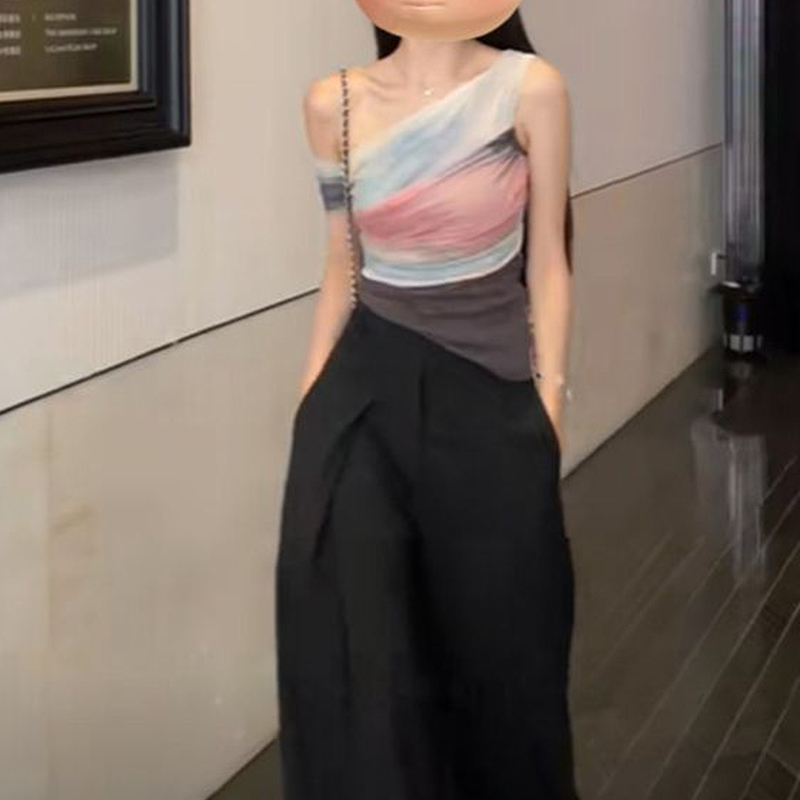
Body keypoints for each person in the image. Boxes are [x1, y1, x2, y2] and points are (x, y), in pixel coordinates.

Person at [275, 3, 578, 798]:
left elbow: (548, 260)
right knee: (365, 652)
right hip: (362, 403)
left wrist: (549, 404)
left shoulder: (529, 88)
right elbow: (341, 266)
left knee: (502, 649)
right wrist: (308, 407)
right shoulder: (333, 102)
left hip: (489, 398)